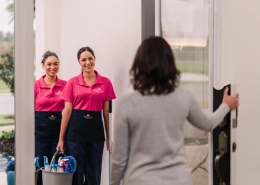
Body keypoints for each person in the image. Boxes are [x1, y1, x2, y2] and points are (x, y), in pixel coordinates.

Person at [110, 36, 239, 185]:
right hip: (178, 179)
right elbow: (208, 124)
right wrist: (225, 106)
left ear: (139, 65)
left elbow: (119, 160)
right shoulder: (183, 96)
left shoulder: (124, 103)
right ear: (169, 63)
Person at [56, 46, 116, 185]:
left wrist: (108, 137)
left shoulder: (106, 82)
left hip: (96, 135)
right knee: (76, 172)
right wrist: (61, 138)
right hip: (75, 134)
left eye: (90, 58)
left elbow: (106, 113)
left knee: (93, 172)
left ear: (95, 59)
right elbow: (67, 111)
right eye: (83, 60)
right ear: (79, 62)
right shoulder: (72, 82)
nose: (87, 62)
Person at [34, 50, 67, 185]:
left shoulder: (65, 85)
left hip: (58, 130)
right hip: (40, 131)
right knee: (40, 164)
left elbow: (69, 108)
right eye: (49, 64)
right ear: (43, 66)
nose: (53, 67)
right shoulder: (36, 85)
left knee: (56, 166)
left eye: (56, 64)